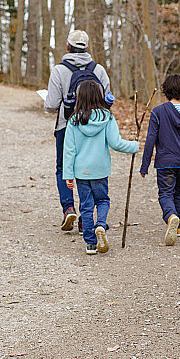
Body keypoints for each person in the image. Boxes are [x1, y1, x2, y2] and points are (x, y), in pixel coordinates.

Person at [45, 30, 111, 232]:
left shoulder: (59, 70)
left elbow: (51, 104)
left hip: (67, 126)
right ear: (87, 48)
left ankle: (68, 207)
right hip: (95, 128)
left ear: (68, 47)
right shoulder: (98, 69)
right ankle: (86, 220)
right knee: (87, 172)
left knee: (63, 168)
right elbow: (107, 99)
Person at [63, 81, 138, 255]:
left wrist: (68, 174)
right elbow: (116, 143)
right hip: (100, 170)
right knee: (103, 200)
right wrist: (134, 146)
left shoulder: (73, 120)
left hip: (82, 171)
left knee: (86, 206)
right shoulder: (107, 117)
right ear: (99, 96)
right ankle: (101, 225)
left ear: (79, 98)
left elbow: (69, 150)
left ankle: (90, 244)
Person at [140, 74, 180, 246]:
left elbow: (150, 139)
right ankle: (179, 227)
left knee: (165, 193)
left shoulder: (158, 112)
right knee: (178, 192)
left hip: (165, 161)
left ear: (165, 90)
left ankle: (170, 216)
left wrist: (144, 166)